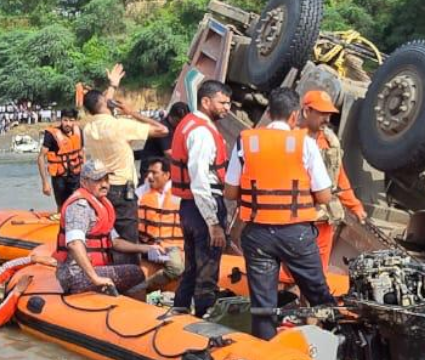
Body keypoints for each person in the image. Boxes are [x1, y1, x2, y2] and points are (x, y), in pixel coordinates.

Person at [224, 87, 337, 340]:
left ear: (270, 113)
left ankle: (265, 352)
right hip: (295, 233)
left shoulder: (246, 140)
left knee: (263, 307)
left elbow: (230, 192)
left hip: (258, 235)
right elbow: (324, 196)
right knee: (320, 297)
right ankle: (336, 345)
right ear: (294, 116)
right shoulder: (304, 143)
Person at [80, 72, 169, 264]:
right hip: (122, 190)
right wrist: (132, 113)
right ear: (105, 103)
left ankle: (106, 270)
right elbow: (163, 130)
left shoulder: (88, 129)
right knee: (128, 239)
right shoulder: (120, 125)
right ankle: (130, 279)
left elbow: (100, 105)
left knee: (105, 233)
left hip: (100, 189)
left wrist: (112, 86)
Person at [55, 159, 175, 297]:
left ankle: (125, 304)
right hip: (76, 275)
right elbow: (74, 244)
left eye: (106, 179)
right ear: (84, 182)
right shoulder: (79, 207)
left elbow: (115, 242)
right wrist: (95, 278)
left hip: (95, 269)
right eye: (98, 180)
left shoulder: (101, 206)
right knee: (136, 273)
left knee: (129, 268)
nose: (104, 184)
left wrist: (146, 248)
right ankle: (136, 313)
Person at [170, 81, 232, 317]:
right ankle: (205, 315)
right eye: (222, 102)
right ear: (206, 102)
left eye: (228, 102)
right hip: (202, 206)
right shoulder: (202, 133)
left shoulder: (188, 125)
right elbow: (200, 180)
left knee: (193, 265)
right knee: (207, 265)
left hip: (189, 206)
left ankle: (180, 306)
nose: (227, 107)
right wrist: (213, 222)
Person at [300, 90, 368, 270]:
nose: (327, 119)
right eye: (322, 114)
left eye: (329, 114)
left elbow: (339, 177)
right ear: (307, 111)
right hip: (297, 217)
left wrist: (355, 206)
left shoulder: (330, 142)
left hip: (323, 218)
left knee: (318, 269)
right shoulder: (292, 139)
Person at [136, 157, 185, 278]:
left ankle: (142, 287)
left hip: (171, 246)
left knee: (176, 267)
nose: (150, 177)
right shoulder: (141, 192)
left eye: (154, 173)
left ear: (167, 175)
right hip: (149, 245)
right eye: (149, 172)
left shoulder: (180, 193)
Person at [38, 109, 84, 208]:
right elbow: (41, 157)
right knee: (62, 206)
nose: (68, 123)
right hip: (60, 178)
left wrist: (86, 177)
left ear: (75, 121)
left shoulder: (79, 132)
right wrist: (45, 183)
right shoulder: (51, 135)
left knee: (78, 205)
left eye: (71, 120)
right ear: (61, 120)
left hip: (76, 176)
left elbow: (82, 154)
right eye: (65, 120)